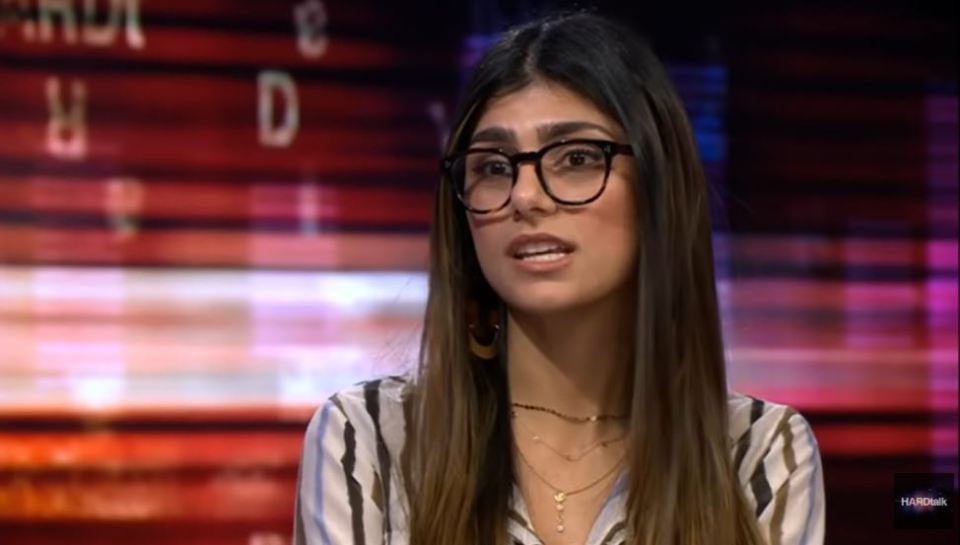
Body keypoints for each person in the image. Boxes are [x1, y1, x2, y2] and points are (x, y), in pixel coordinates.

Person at [292, 11, 825, 545]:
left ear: (657, 187)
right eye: (494, 167)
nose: (526, 197)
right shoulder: (367, 441)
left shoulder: (758, 453)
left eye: (576, 158)